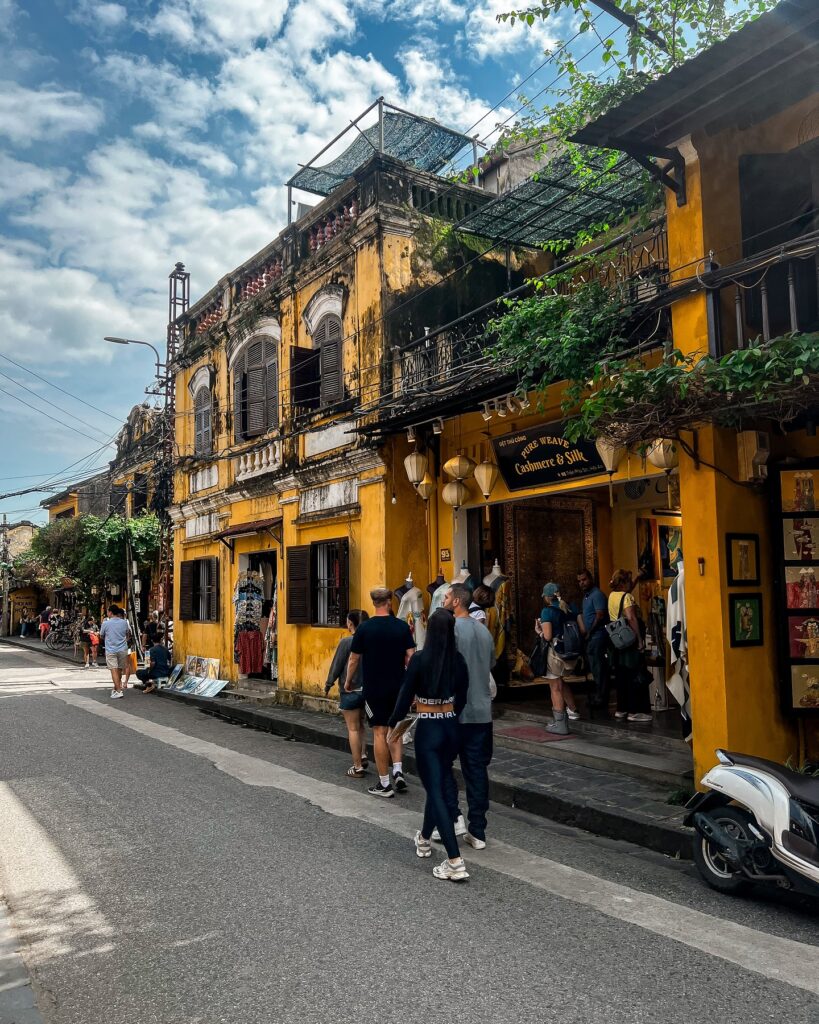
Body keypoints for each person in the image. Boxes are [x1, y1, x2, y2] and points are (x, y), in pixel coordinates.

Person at [388, 609, 470, 882]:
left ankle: (455, 860)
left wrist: (394, 723)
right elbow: (464, 698)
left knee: (435, 792)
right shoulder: (458, 661)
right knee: (437, 784)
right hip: (451, 726)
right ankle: (424, 838)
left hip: (429, 727)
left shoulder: (421, 659)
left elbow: (405, 693)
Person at [345, 587, 415, 798]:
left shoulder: (365, 629)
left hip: (374, 687)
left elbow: (354, 659)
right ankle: (398, 769)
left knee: (379, 732)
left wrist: (348, 682)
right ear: (390, 603)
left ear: (374, 603)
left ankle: (384, 783)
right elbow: (411, 656)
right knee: (396, 729)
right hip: (398, 686)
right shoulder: (402, 627)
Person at [441, 583, 496, 849]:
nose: (443, 599)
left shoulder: (449, 629)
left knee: (441, 766)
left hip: (454, 710)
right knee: (476, 770)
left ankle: (454, 817)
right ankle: (478, 829)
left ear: (456, 602)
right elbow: (491, 664)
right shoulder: (484, 631)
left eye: (447, 596)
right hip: (482, 710)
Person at [325, 609, 370, 777]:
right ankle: (363, 754)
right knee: (361, 724)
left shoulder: (347, 642)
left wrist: (329, 684)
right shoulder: (371, 641)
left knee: (352, 728)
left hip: (350, 689)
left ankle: (357, 766)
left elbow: (337, 665)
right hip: (368, 690)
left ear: (350, 623)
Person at [535, 582, 580, 734]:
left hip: (555, 654)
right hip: (571, 654)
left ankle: (560, 724)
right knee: (560, 682)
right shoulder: (571, 608)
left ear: (547, 598)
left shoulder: (547, 611)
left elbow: (547, 636)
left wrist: (539, 631)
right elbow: (583, 629)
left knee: (555, 687)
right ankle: (572, 710)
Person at [608, 569, 652, 722]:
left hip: (617, 640)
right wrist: (639, 640)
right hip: (630, 641)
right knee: (635, 674)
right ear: (624, 582)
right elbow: (632, 618)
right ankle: (635, 710)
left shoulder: (613, 596)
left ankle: (622, 708)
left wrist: (637, 579)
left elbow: (624, 595)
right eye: (629, 580)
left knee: (621, 675)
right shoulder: (628, 598)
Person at [577, 569, 610, 712]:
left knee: (600, 668)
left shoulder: (597, 595)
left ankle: (602, 698)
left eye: (584, 580)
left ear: (590, 578)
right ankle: (598, 696)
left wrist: (590, 631)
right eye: (579, 581)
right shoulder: (586, 596)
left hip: (598, 636)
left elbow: (600, 615)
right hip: (590, 638)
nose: (581, 583)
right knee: (595, 669)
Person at [100, 605, 131, 700]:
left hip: (111, 649)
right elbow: (128, 634)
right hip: (122, 649)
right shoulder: (124, 622)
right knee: (119, 670)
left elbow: (101, 635)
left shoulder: (106, 623)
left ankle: (118, 690)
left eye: (108, 612)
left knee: (113, 669)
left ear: (110, 612)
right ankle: (115, 688)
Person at [136, 628, 171, 693]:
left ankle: (149, 685)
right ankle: (151, 683)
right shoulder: (165, 649)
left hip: (156, 673)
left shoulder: (150, 650)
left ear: (152, 641)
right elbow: (170, 660)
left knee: (138, 672)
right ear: (160, 640)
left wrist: (148, 670)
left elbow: (150, 664)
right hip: (166, 672)